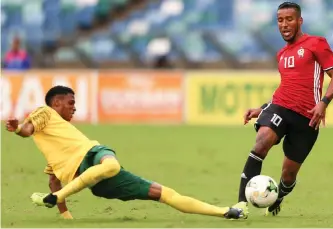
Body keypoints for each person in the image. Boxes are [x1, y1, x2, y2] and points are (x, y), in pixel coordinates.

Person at [5, 85, 243, 220]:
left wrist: (57, 199)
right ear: (55, 103)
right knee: (140, 183)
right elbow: (28, 132)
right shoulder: (45, 112)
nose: (74, 107)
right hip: (93, 178)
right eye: (70, 102)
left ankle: (224, 211)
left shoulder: (62, 133)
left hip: (94, 153)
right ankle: (225, 212)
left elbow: (55, 185)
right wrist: (16, 129)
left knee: (158, 190)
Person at [234, 1, 333, 218]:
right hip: (281, 108)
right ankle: (240, 205)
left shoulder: (316, 43)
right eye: (280, 20)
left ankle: (278, 197)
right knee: (262, 141)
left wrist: (323, 103)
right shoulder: (282, 54)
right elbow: (286, 88)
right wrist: (262, 108)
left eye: (289, 19)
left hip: (307, 118)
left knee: (288, 175)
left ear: (299, 21)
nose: (284, 24)